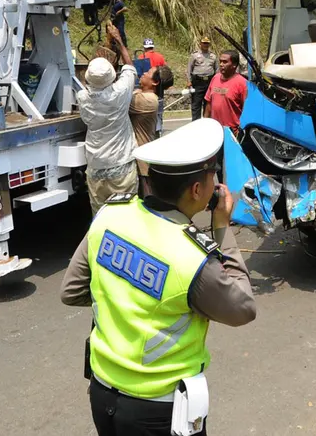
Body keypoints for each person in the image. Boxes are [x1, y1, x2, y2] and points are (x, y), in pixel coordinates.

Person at [59, 118, 257, 436]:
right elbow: (243, 308)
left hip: (102, 394)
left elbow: (71, 291)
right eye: (213, 178)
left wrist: (123, 299)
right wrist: (222, 227)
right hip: (160, 412)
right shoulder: (192, 258)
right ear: (197, 190)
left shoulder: (109, 216)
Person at [78, 23, 139, 214]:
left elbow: (91, 83)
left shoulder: (82, 98)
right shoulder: (120, 93)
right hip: (121, 165)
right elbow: (130, 67)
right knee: (126, 217)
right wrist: (119, 41)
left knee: (100, 218)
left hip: (96, 167)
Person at [203, 51, 247, 131]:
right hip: (215, 130)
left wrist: (240, 130)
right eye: (220, 61)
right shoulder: (215, 78)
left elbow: (246, 110)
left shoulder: (242, 83)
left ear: (234, 65)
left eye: (225, 62)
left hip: (232, 132)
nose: (221, 64)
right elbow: (209, 103)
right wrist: (205, 123)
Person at [186, 36, 219, 121]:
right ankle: (195, 124)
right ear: (200, 44)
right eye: (204, 43)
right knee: (196, 104)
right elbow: (189, 69)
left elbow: (217, 70)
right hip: (197, 82)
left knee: (208, 104)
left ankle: (206, 123)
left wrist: (217, 82)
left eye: (207, 43)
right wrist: (189, 81)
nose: (205, 45)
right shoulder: (195, 55)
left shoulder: (213, 56)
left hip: (209, 81)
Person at [130, 68, 161, 149]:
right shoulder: (141, 93)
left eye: (148, 72)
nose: (144, 73)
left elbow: (119, 101)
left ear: (155, 82)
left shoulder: (148, 100)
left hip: (140, 155)